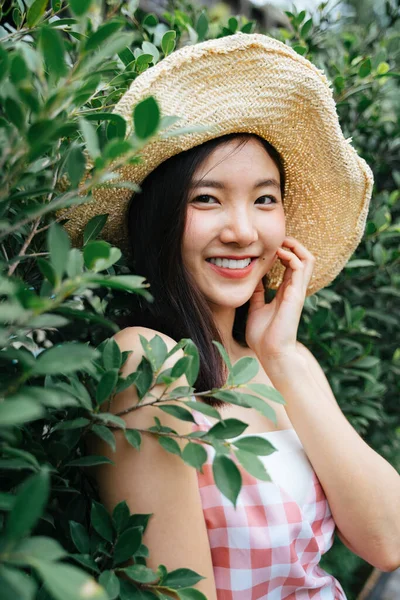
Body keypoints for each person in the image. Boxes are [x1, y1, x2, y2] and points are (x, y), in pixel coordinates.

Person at [77, 33, 400, 599]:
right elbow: (180, 591)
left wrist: (282, 357)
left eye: (265, 199)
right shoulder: (147, 360)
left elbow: (390, 542)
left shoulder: (281, 361)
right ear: (160, 216)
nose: (243, 231)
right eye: (206, 198)